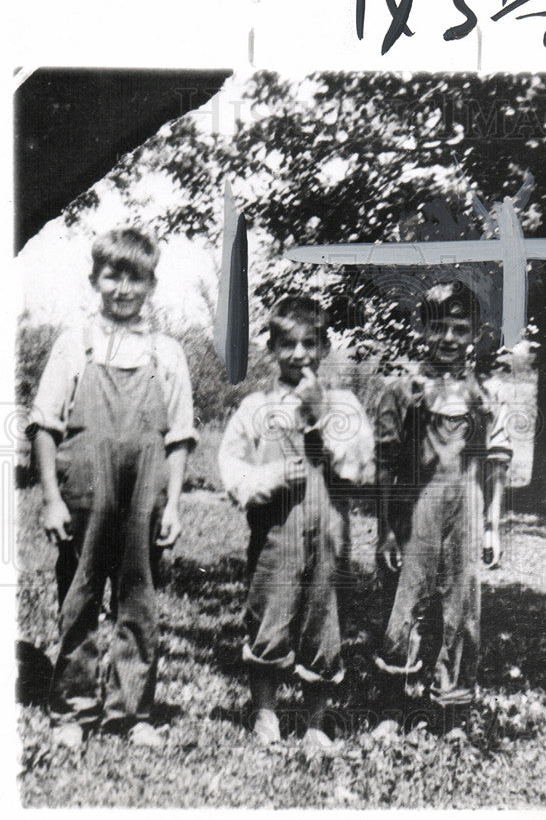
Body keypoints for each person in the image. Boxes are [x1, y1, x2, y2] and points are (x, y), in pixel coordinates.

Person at [29, 227, 196, 750]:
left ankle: (132, 711)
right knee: (78, 597)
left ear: (151, 283)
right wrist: (52, 499)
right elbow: (44, 426)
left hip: (143, 498)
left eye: (135, 277)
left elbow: (180, 436)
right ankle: (73, 710)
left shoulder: (167, 353)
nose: (123, 288)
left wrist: (172, 504)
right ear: (94, 279)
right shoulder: (74, 344)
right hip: (84, 494)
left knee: (138, 600)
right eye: (112, 275)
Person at [218, 294, 374, 751]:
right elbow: (230, 465)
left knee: (326, 619)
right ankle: (265, 712)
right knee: (270, 613)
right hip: (276, 534)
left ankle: (316, 720)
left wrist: (321, 410)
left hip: (329, 533)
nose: (299, 354)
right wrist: (266, 477)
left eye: (310, 343)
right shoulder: (255, 406)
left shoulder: (343, 403)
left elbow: (360, 464)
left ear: (325, 347)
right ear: (271, 348)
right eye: (288, 344)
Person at [373, 281, 512, 737]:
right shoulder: (402, 389)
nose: (449, 339)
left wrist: (492, 527)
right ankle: (392, 708)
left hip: (467, 511)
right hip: (416, 510)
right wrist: (386, 530)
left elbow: (495, 467)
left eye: (460, 328)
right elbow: (386, 466)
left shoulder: (486, 395)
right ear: (421, 329)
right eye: (439, 328)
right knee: (404, 603)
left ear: (475, 333)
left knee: (460, 608)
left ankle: (450, 711)